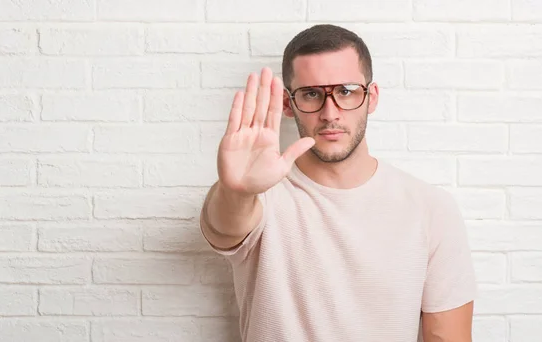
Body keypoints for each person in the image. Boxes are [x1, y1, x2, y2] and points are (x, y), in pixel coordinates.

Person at [199, 24, 477, 342]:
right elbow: (223, 228)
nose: (330, 113)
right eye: (312, 94)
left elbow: (448, 337)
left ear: (370, 97)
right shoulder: (258, 196)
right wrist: (237, 191)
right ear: (289, 105)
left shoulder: (430, 208)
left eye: (345, 91)